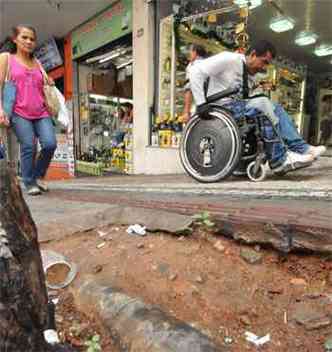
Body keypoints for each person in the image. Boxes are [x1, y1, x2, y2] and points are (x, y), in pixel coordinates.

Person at [189, 40, 326, 175]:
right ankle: (279, 159)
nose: (264, 67)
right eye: (264, 61)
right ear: (253, 54)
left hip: (237, 108)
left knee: (275, 107)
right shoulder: (229, 59)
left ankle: (302, 148)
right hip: (222, 108)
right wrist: (201, 103)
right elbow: (195, 71)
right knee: (262, 104)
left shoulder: (250, 75)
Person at [0, 25, 57, 195]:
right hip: (19, 111)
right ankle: (29, 181)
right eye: (24, 37)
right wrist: (0, 109)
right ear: (15, 40)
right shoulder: (6, 58)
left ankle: (38, 176)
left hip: (41, 111)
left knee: (49, 144)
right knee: (28, 145)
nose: (29, 41)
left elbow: (45, 82)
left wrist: (49, 82)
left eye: (32, 39)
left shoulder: (37, 62)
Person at [182, 44, 207, 123]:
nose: (189, 53)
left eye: (190, 51)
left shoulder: (192, 66)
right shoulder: (208, 64)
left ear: (195, 52)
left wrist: (186, 112)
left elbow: (189, 89)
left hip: (198, 105)